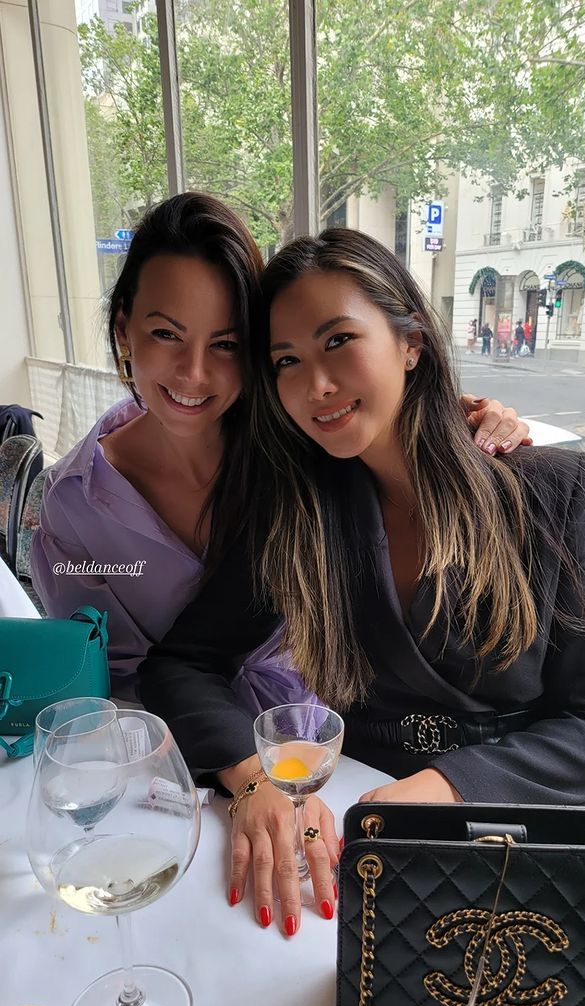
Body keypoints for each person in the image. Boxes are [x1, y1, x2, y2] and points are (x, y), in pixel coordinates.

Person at [139, 226, 585, 938]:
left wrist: (444, 789)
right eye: (287, 361)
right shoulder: (299, 515)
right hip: (369, 827)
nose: (315, 386)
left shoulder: (538, 490)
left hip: (545, 814)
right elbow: (182, 664)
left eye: (339, 340)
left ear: (411, 342)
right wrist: (253, 780)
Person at [30, 193, 527, 703]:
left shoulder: (301, 447)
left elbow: (387, 413)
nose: (194, 373)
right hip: (181, 743)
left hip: (344, 736)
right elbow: (98, 680)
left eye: (225, 344)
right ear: (124, 331)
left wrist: (462, 418)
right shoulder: (72, 505)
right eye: (165, 334)